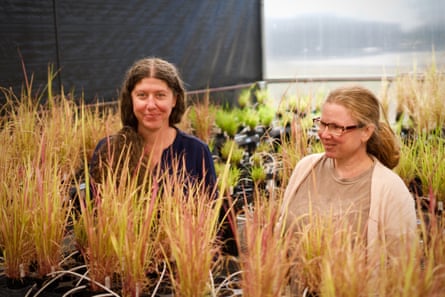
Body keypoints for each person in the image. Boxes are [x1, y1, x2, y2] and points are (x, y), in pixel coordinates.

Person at [85, 57, 237, 256]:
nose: (151, 105)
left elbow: (213, 221)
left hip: (183, 268)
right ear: (130, 99)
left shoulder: (196, 151)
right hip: (124, 268)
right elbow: (92, 220)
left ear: (174, 99)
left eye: (160, 95)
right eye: (142, 95)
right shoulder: (110, 149)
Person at [279, 85, 417, 291]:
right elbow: (281, 234)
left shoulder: (390, 189)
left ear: (366, 132)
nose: (325, 134)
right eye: (322, 123)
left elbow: (403, 268)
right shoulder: (305, 169)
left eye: (337, 127)